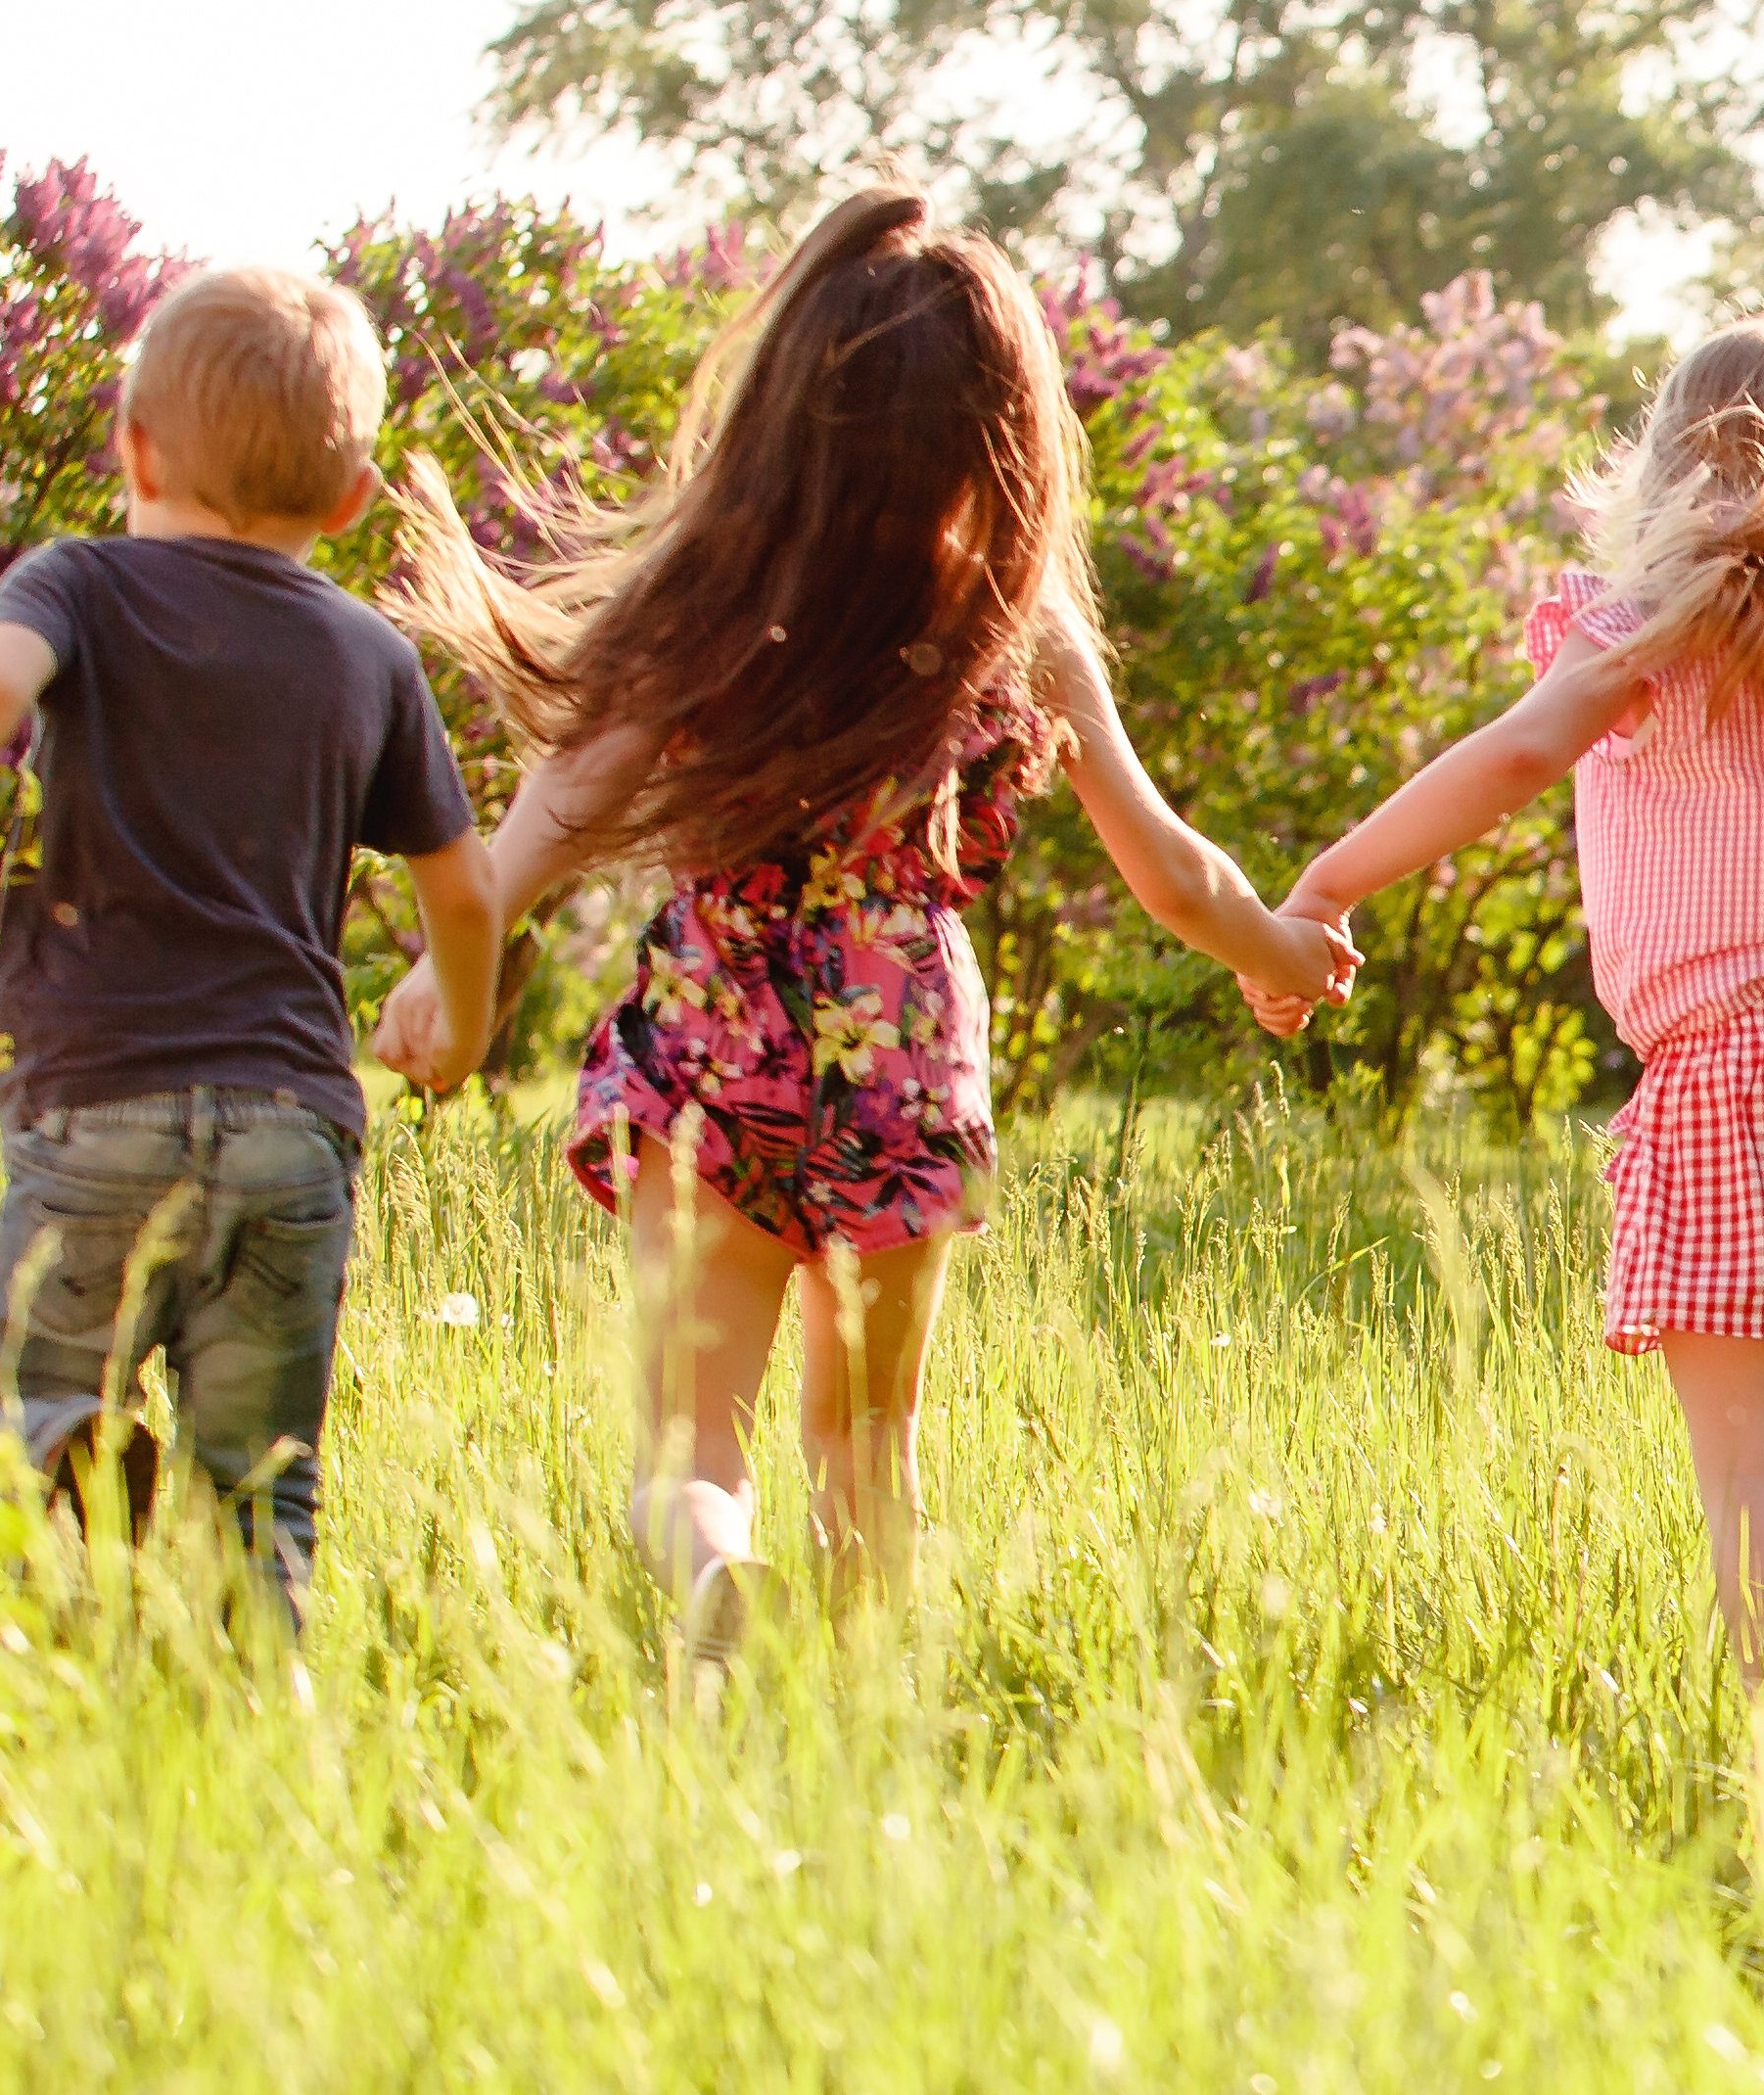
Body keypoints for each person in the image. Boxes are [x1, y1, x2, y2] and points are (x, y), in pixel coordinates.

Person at [375, 190, 1357, 1664]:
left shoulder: (716, 586)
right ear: (1003, 429)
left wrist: (444, 976)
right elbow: (1169, 873)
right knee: (866, 1455)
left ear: (786, 399)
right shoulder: (1013, 620)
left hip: (714, 1039)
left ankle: (713, 1587)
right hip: (901, 1054)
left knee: (689, 1445)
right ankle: (859, 1741)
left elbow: (558, 813)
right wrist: (1280, 954)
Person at [1249, 315, 1764, 1678]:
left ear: (1662, 466)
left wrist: (1326, 885)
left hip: (1737, 1067)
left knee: (1749, 1471)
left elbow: (1516, 755)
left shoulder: (1646, 637)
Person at [0, 267, 501, 1620]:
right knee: (264, 1494)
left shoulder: (75, 584)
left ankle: (61, 1467)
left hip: (95, 1116)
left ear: (132, 446)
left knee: (19, 1432)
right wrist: (462, 1032)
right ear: (353, 498)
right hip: (293, 1129)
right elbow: (466, 891)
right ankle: (262, 1734)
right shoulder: (373, 657)